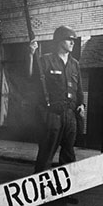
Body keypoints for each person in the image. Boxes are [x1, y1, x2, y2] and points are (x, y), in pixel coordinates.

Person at [27, 25, 85, 174]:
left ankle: (66, 194)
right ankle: (41, 193)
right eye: (69, 40)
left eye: (74, 40)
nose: (73, 43)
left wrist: (81, 104)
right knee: (46, 155)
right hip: (52, 114)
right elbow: (32, 79)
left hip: (70, 115)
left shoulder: (74, 64)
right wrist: (30, 55)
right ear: (59, 41)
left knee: (69, 157)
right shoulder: (46, 60)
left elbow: (79, 88)